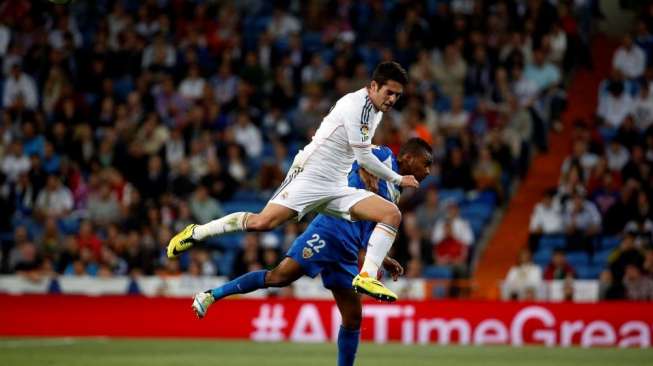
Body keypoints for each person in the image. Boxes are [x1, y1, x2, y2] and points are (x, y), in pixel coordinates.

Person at [167, 61, 419, 301]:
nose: (393, 100)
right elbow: (363, 156)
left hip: (336, 185)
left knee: (391, 214)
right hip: (310, 175)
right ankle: (197, 232)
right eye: (389, 92)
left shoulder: (374, 111)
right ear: (373, 85)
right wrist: (398, 178)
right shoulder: (358, 105)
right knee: (261, 222)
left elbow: (358, 149)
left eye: (397, 96)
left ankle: (366, 276)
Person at [189, 139, 432, 366]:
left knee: (353, 317)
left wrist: (384, 259)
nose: (429, 170)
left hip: (347, 251)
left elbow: (369, 229)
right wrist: (364, 170)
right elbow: (357, 150)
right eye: (426, 163)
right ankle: (211, 295)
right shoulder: (385, 156)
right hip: (329, 231)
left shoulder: (394, 193)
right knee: (280, 277)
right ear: (409, 158)